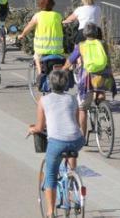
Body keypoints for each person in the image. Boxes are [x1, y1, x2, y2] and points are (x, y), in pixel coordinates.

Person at [27, 70, 83, 218]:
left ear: (49, 84)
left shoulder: (43, 100)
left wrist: (32, 129)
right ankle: (72, 176)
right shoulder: (72, 99)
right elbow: (76, 123)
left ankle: (50, 212)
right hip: (77, 140)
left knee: (51, 176)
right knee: (70, 146)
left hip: (57, 142)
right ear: (66, 85)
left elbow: (40, 127)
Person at [65, 23, 116, 138]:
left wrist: (63, 70)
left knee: (82, 108)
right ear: (97, 33)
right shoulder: (103, 44)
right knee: (100, 92)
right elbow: (107, 59)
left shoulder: (81, 45)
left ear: (84, 34)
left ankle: (82, 136)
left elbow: (71, 60)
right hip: (104, 76)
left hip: (88, 78)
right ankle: (103, 108)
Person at [18, 0, 64, 76]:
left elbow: (29, 27)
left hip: (42, 49)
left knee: (36, 57)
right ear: (52, 5)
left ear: (40, 5)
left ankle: (40, 75)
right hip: (57, 48)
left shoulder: (38, 16)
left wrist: (22, 35)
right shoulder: (58, 16)